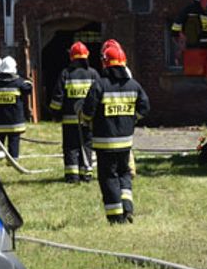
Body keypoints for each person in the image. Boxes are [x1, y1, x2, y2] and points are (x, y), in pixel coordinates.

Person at [79, 40, 149, 224]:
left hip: (105, 142)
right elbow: (144, 107)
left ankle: (115, 217)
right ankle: (127, 208)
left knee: (108, 176)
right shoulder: (134, 85)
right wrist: (132, 119)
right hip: (125, 142)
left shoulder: (99, 85)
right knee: (124, 173)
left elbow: (87, 111)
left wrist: (86, 120)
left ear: (104, 63)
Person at [48, 41, 99, 183]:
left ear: (72, 57)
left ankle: (72, 175)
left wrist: (55, 113)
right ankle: (86, 174)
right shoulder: (93, 74)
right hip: (87, 120)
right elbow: (98, 96)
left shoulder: (66, 73)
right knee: (86, 145)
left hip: (69, 120)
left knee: (71, 147)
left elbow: (58, 97)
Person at [0, 55, 32, 160]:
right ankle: (13, 160)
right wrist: (23, 78)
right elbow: (28, 88)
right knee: (14, 142)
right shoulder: (18, 82)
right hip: (14, 123)